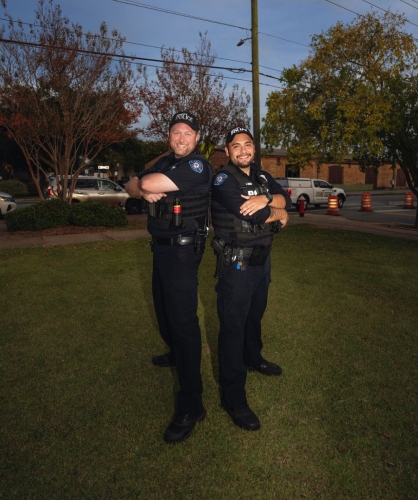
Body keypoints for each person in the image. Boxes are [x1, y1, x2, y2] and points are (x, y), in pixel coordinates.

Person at [125, 112, 212, 443]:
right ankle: (176, 353)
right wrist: (143, 189)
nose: (181, 138)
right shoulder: (165, 161)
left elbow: (145, 182)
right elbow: (132, 184)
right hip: (161, 249)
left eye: (187, 133)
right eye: (176, 132)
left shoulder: (197, 166)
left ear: (196, 137)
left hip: (182, 252)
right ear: (168, 136)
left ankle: (192, 405)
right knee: (163, 314)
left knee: (183, 323)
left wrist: (146, 185)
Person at [210, 126, 292, 431]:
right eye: (236, 146)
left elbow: (285, 198)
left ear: (254, 149)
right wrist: (277, 212)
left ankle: (253, 358)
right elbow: (253, 215)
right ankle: (233, 398)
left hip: (262, 263)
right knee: (232, 328)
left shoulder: (261, 176)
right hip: (237, 266)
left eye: (247, 144)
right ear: (228, 151)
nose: (242, 150)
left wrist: (270, 202)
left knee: (254, 317)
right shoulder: (223, 180)